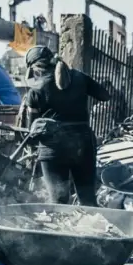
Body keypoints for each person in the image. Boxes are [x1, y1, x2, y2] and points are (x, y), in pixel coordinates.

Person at [23, 46, 110, 206]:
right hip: (83, 144)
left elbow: (31, 128)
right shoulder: (79, 77)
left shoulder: (35, 89)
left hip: (53, 149)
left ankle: (64, 230)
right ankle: (93, 230)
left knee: (58, 201)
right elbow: (105, 96)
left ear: (34, 67)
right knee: (88, 199)